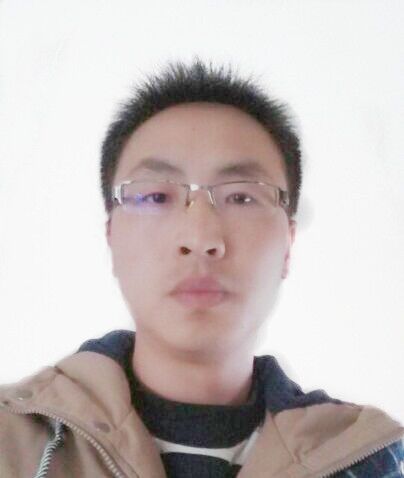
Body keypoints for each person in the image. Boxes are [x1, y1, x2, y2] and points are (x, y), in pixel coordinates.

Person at [0, 57, 403, 478]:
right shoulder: (12, 441)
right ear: (111, 237)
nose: (200, 237)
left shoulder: (370, 462)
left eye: (242, 197)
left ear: (288, 244)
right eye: (156, 197)